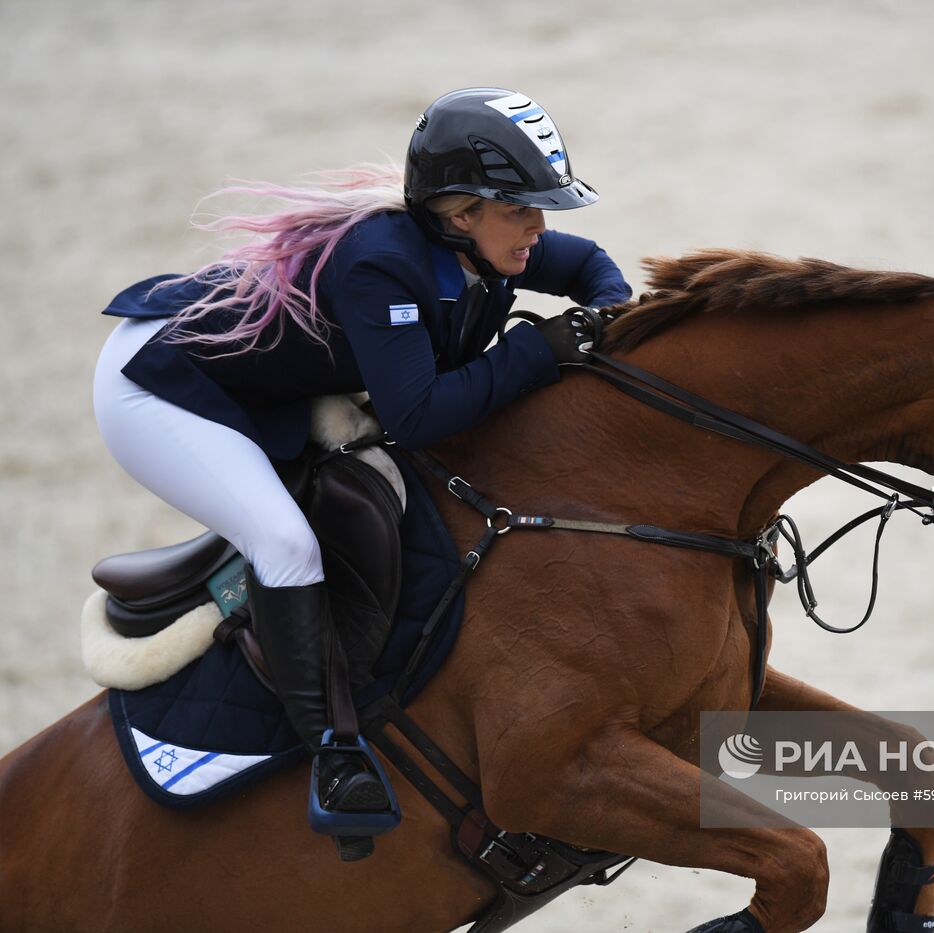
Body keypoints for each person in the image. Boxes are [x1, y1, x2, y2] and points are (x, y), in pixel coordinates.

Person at [93, 87, 631, 831]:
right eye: (521, 209)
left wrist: (605, 317)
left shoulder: (486, 240)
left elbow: (595, 267)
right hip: (156, 388)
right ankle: (333, 754)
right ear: (460, 211)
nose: (539, 226)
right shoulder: (381, 265)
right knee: (284, 542)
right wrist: (536, 350)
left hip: (253, 376)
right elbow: (418, 416)